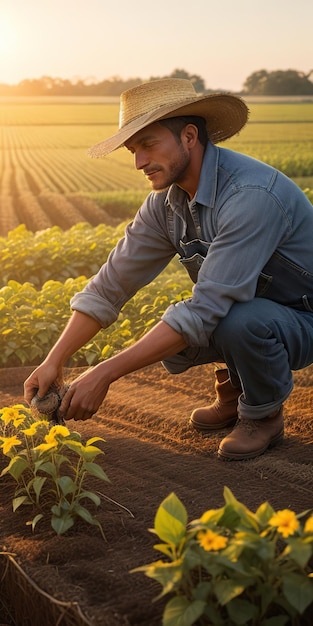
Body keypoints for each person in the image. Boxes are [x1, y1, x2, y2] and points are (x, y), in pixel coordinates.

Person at [24, 78, 313, 461]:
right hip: (256, 307)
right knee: (204, 318)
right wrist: (54, 359)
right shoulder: (166, 203)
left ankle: (263, 414)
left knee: (234, 319)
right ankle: (236, 384)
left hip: (302, 315)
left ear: (189, 136)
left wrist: (104, 373)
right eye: (132, 149)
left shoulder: (250, 196)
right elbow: (111, 285)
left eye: (148, 145)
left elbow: (207, 307)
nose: (139, 162)